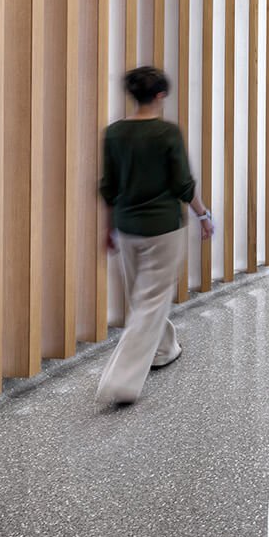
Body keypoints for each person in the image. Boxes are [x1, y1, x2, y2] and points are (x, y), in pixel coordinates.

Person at [96, 66, 214, 405]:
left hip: (127, 227)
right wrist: (203, 214)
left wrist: (109, 227)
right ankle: (120, 381)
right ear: (160, 95)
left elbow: (109, 186)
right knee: (150, 302)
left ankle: (164, 349)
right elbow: (182, 184)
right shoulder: (166, 133)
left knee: (143, 298)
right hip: (162, 229)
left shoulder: (114, 133)